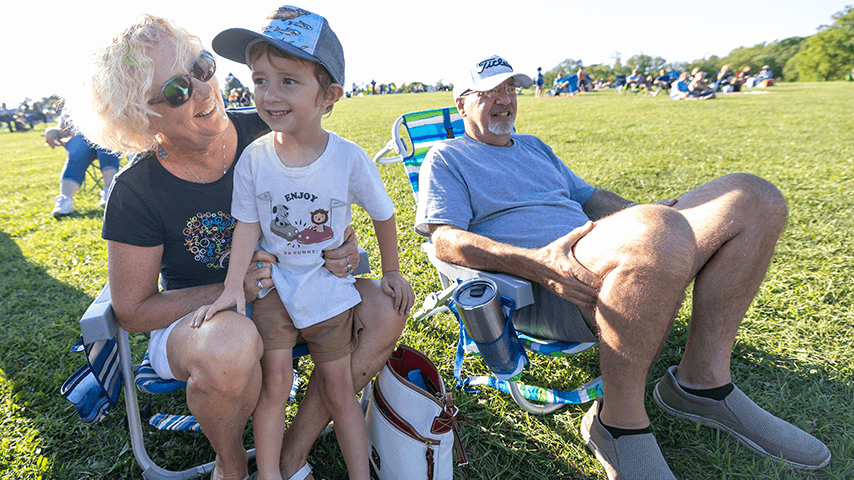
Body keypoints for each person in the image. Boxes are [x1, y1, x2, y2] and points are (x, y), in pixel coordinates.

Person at [415, 54, 831, 479]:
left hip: (610, 254)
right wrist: (538, 264)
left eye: (510, 89)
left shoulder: (534, 147)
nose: (504, 100)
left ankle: (701, 382)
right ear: (462, 103)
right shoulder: (447, 158)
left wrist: (645, 215)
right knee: (659, 228)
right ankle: (617, 421)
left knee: (753, 198)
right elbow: (445, 239)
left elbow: (589, 196)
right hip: (548, 284)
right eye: (489, 93)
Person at [70, 12, 405, 480]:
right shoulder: (136, 190)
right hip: (196, 325)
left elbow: (325, 204)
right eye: (175, 91)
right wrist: (231, 290)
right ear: (139, 118)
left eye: (202, 68)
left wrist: (344, 246)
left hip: (292, 291)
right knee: (232, 341)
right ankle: (230, 464)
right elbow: (131, 310)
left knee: (384, 310)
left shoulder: (272, 132)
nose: (204, 89)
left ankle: (293, 451)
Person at [201, 7, 414, 480]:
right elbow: (247, 226)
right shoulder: (254, 159)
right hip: (275, 290)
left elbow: (384, 213)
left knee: (339, 389)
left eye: (288, 81)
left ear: (329, 96)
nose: (269, 95)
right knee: (275, 384)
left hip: (328, 292)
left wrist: (392, 271)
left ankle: (361, 474)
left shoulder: (348, 158)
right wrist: (233, 286)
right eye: (259, 80)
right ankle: (271, 473)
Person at [43, 109, 121, 217]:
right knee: (78, 150)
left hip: (108, 133)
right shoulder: (71, 100)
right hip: (80, 138)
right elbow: (64, 130)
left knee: (105, 142)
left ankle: (109, 191)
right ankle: (65, 199)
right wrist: (51, 129)